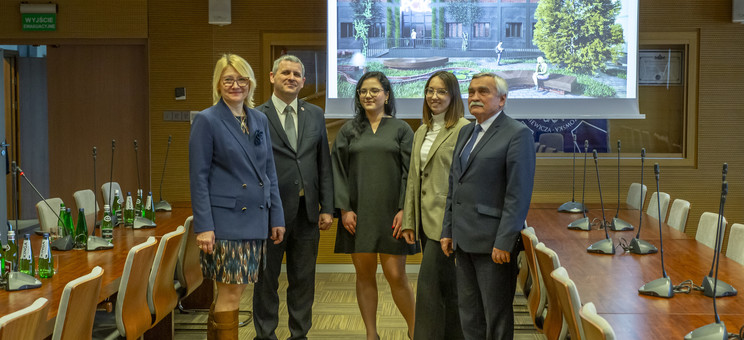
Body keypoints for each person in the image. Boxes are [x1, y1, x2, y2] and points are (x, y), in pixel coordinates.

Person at [189, 53, 286, 340]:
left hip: (256, 220)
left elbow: (268, 172)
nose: (236, 85)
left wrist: (276, 216)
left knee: (235, 293)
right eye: (228, 79)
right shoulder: (207, 120)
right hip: (225, 224)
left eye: (241, 79)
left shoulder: (258, 119)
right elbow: (198, 178)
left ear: (251, 83)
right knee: (230, 295)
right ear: (218, 84)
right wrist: (204, 227)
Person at [440, 72, 535, 340]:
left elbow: (518, 195)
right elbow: (454, 186)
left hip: (494, 245)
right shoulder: (466, 132)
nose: (474, 97)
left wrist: (505, 241)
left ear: (502, 100)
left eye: (483, 92)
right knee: (469, 314)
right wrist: (448, 230)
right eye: (471, 92)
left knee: (496, 317)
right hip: (463, 239)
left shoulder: (518, 134)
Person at [253, 55, 334, 340]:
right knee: (266, 281)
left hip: (307, 211)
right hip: (269, 212)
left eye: (297, 74)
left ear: (303, 81)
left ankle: (299, 335)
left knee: (303, 280)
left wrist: (328, 207)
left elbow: (323, 162)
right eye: (285, 72)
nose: (291, 77)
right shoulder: (256, 115)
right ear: (272, 77)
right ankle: (266, 335)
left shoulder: (314, 114)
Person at [332, 71, 416, 340]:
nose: (368, 95)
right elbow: (338, 171)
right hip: (358, 214)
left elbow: (410, 173)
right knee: (364, 274)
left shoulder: (402, 129)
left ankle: (416, 331)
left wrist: (406, 210)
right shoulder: (348, 130)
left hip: (394, 214)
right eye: (363, 91)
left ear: (387, 95)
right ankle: (371, 334)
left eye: (375, 90)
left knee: (396, 275)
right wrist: (344, 209)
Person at [401, 71, 469, 340]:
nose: (434, 96)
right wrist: (409, 220)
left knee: (431, 290)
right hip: (425, 224)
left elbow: (462, 182)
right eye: (430, 90)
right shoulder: (421, 130)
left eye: (441, 91)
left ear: (453, 95)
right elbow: (413, 180)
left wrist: (450, 227)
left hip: (448, 225)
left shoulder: (464, 128)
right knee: (445, 290)